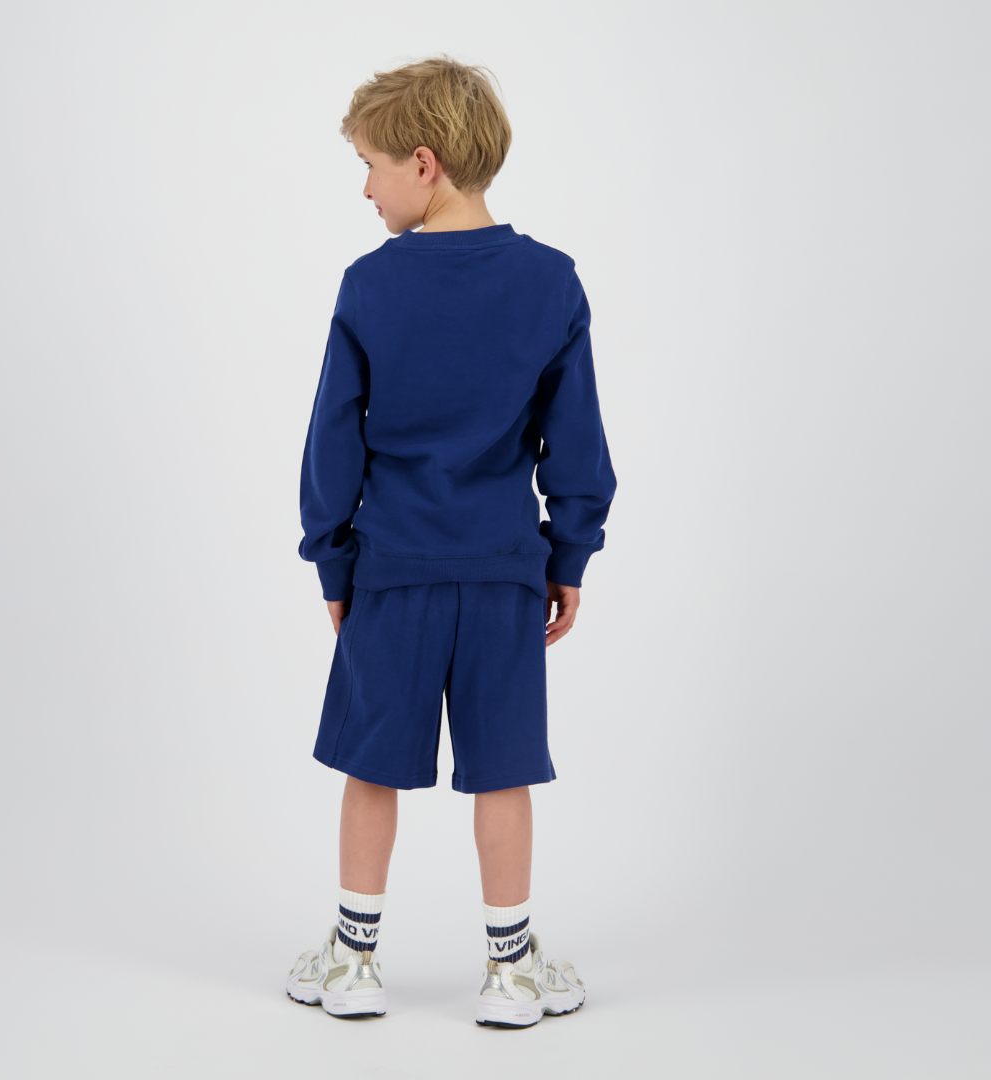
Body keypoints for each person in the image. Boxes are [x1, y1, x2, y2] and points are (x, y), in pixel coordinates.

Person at [286, 55, 617, 1027]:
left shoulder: (369, 287)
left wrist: (334, 563)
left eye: (370, 165)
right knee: (503, 768)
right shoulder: (551, 282)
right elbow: (578, 444)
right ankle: (510, 969)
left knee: (372, 764)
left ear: (423, 163)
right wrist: (568, 556)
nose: (365, 188)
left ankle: (353, 958)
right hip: (506, 574)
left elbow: (331, 443)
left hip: (391, 573)